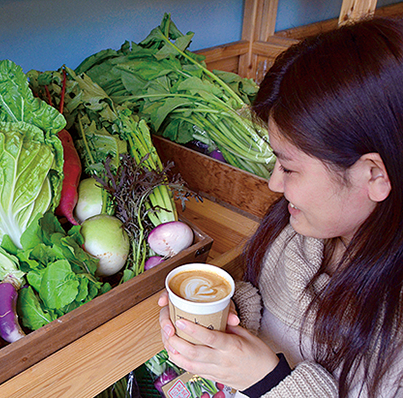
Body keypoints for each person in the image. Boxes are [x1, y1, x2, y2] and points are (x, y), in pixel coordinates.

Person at [158, 16, 403, 397]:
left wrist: (266, 381)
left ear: (373, 175)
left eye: (289, 167)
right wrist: (225, 315)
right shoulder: (296, 236)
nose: (274, 183)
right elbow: (271, 303)